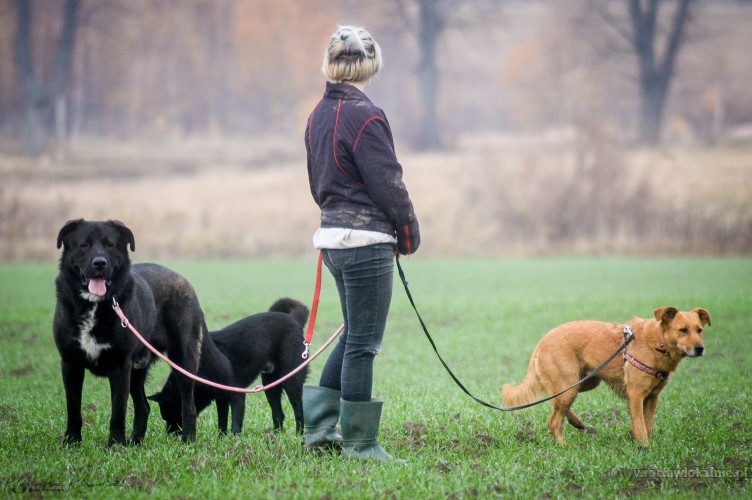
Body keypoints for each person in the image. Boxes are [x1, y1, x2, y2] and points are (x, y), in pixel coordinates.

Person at [302, 25, 420, 462]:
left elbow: (318, 185)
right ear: (372, 66)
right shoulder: (367, 115)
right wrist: (408, 233)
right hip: (365, 244)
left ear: (329, 65)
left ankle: (318, 431)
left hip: (332, 241)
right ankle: (360, 443)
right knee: (364, 344)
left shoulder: (317, 114)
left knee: (353, 335)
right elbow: (390, 185)